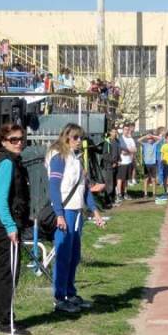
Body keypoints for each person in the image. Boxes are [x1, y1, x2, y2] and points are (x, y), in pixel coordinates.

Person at [46, 123, 105, 314]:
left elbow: (84, 187)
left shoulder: (76, 159)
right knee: (63, 254)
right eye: (75, 137)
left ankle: (70, 292)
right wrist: (59, 214)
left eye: (81, 137)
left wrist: (94, 211)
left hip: (77, 211)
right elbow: (54, 188)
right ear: (66, 138)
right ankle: (59, 297)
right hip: (65, 211)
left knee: (74, 255)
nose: (79, 141)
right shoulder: (59, 158)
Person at [0, 123, 32, 335]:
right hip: (6, 226)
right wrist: (11, 226)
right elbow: (0, 201)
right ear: (3, 142)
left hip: (5, 225)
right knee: (7, 273)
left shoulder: (11, 161)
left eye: (21, 138)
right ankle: (3, 320)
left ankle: (0, 317)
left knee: (3, 272)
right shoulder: (6, 164)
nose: (19, 143)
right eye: (14, 140)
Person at [115, 123, 135, 204]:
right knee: (120, 179)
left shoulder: (130, 139)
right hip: (122, 162)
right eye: (125, 129)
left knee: (126, 179)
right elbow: (121, 151)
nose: (126, 131)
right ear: (123, 130)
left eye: (128, 130)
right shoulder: (120, 139)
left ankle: (125, 193)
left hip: (129, 161)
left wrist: (127, 151)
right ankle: (119, 194)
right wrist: (129, 151)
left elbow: (134, 150)